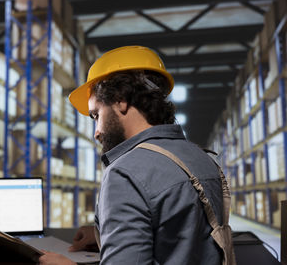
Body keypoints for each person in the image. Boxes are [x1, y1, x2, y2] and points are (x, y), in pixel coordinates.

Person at [39, 45, 226, 265]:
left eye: (96, 114)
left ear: (120, 99)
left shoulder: (125, 173)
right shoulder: (202, 159)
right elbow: (181, 240)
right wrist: (108, 234)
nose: (96, 132)